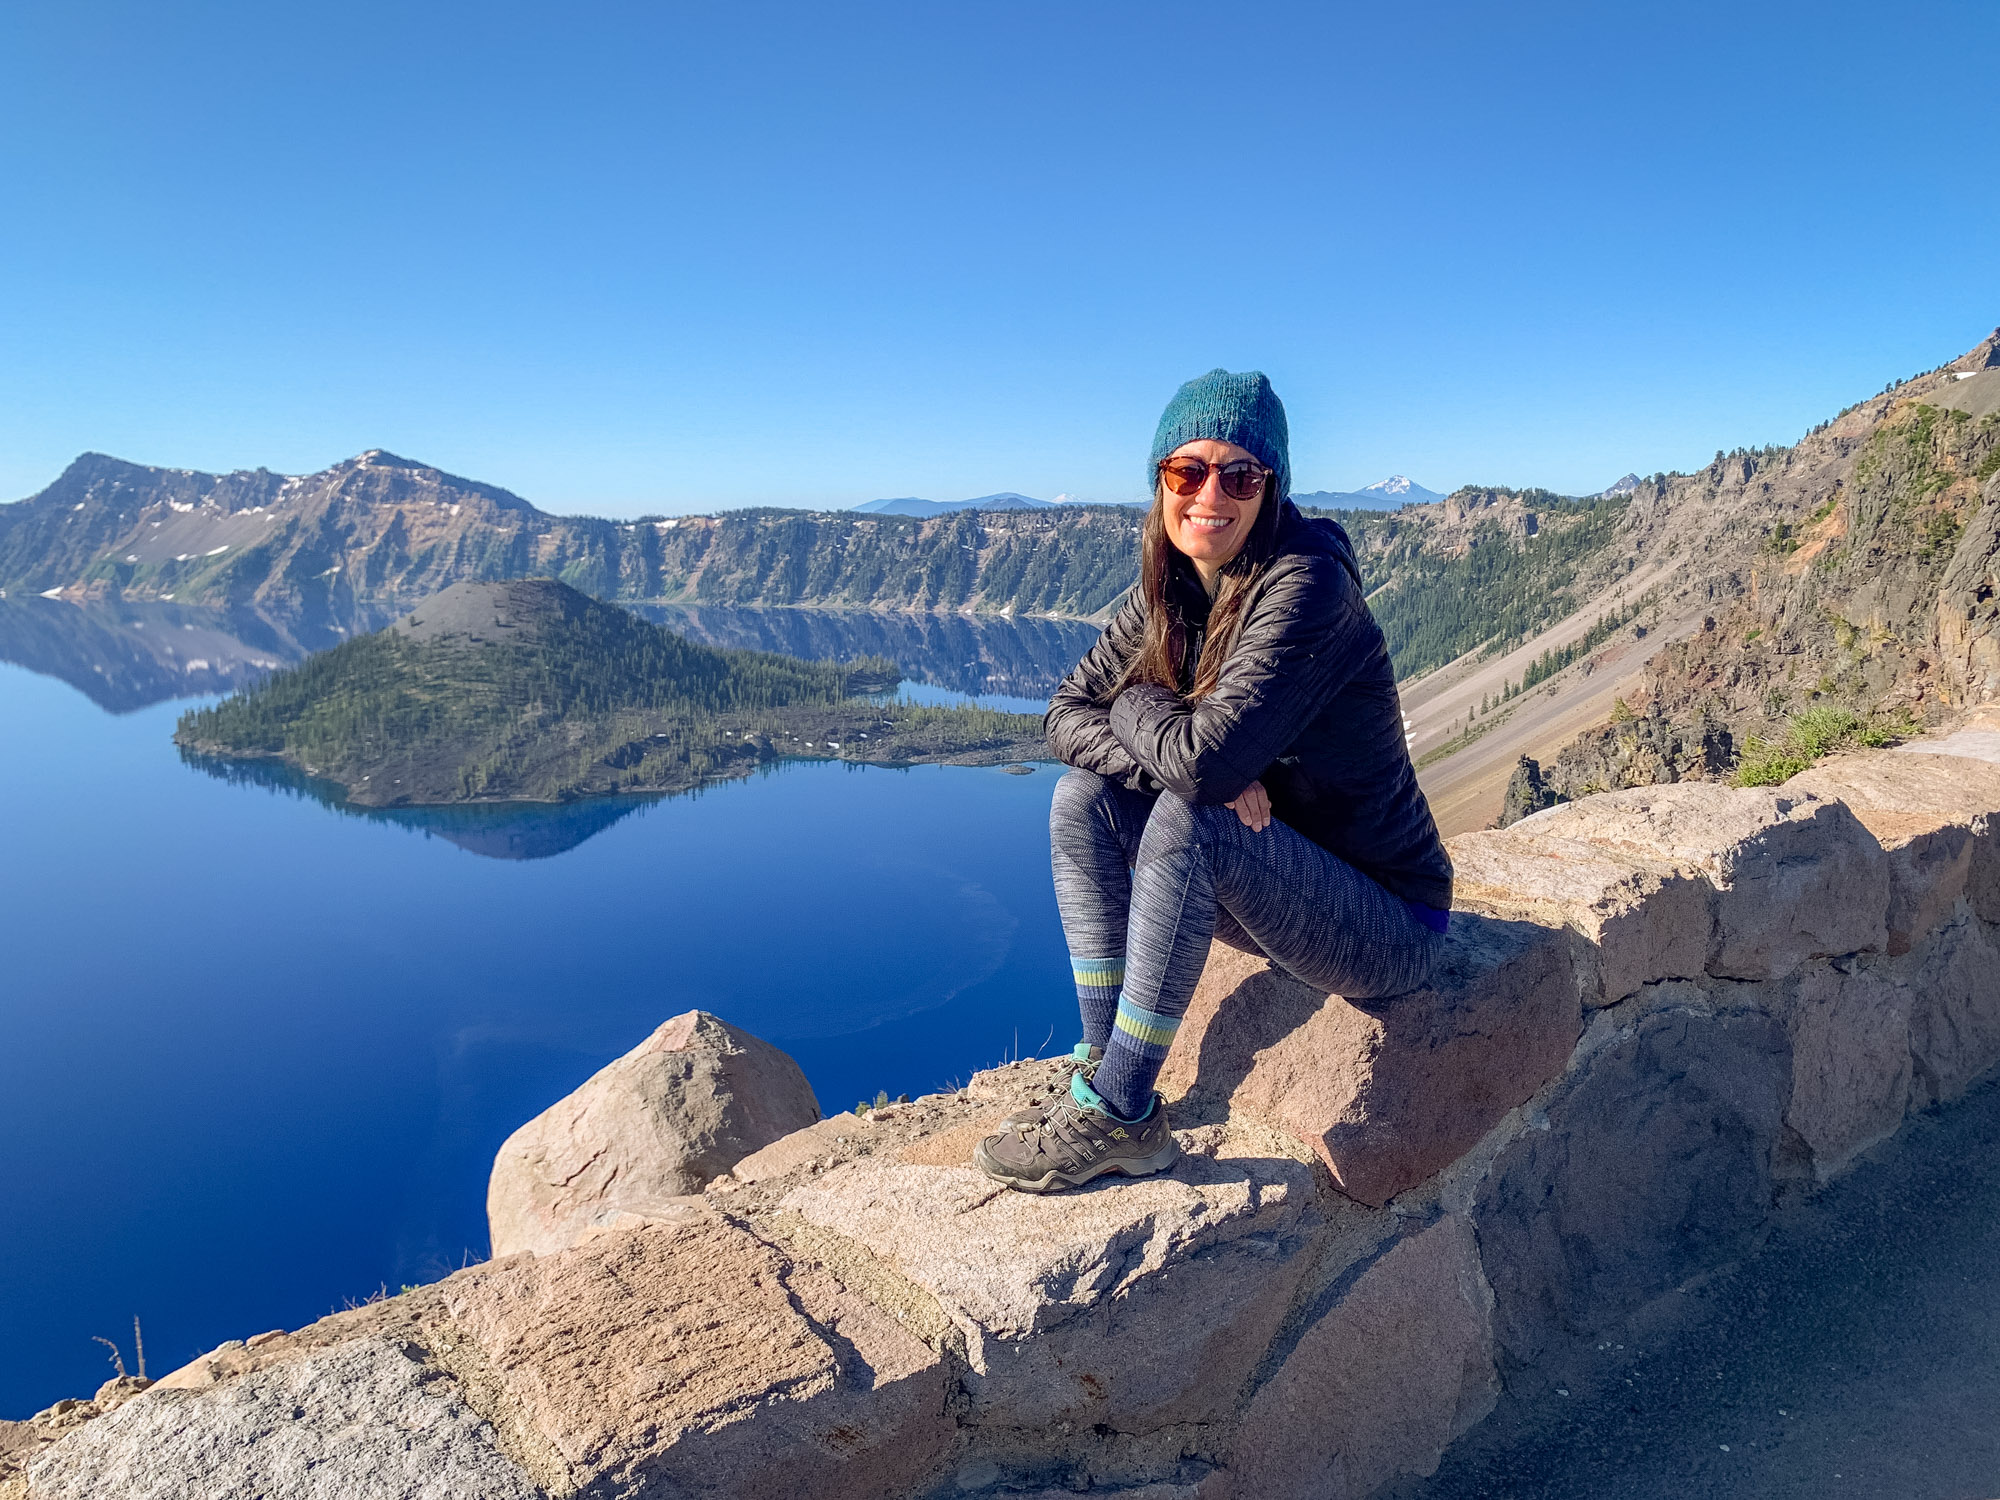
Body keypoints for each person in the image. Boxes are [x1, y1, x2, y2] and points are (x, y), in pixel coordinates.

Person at [974, 368, 1453, 1193]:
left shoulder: (1306, 585)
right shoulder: (1171, 588)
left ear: (1271, 489)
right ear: (1160, 482)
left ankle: (1123, 1112)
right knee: (1082, 799)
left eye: (1241, 475)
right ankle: (1102, 1067)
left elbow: (1200, 767)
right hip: (1281, 883)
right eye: (1186, 472)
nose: (1211, 494)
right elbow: (1062, 714)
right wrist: (1168, 748)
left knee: (1193, 817)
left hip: (1388, 922)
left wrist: (1143, 703)